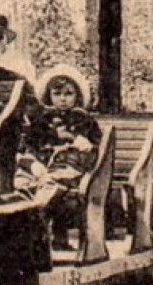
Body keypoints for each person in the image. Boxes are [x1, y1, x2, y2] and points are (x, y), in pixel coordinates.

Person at [16, 106, 102, 250]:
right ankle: (36, 238)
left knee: (53, 188)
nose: (63, 99)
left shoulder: (84, 121)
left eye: (68, 94)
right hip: (42, 171)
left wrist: (88, 146)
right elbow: (24, 151)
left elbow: (97, 149)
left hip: (71, 172)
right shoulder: (40, 121)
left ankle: (44, 238)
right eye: (57, 94)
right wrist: (33, 164)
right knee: (26, 186)